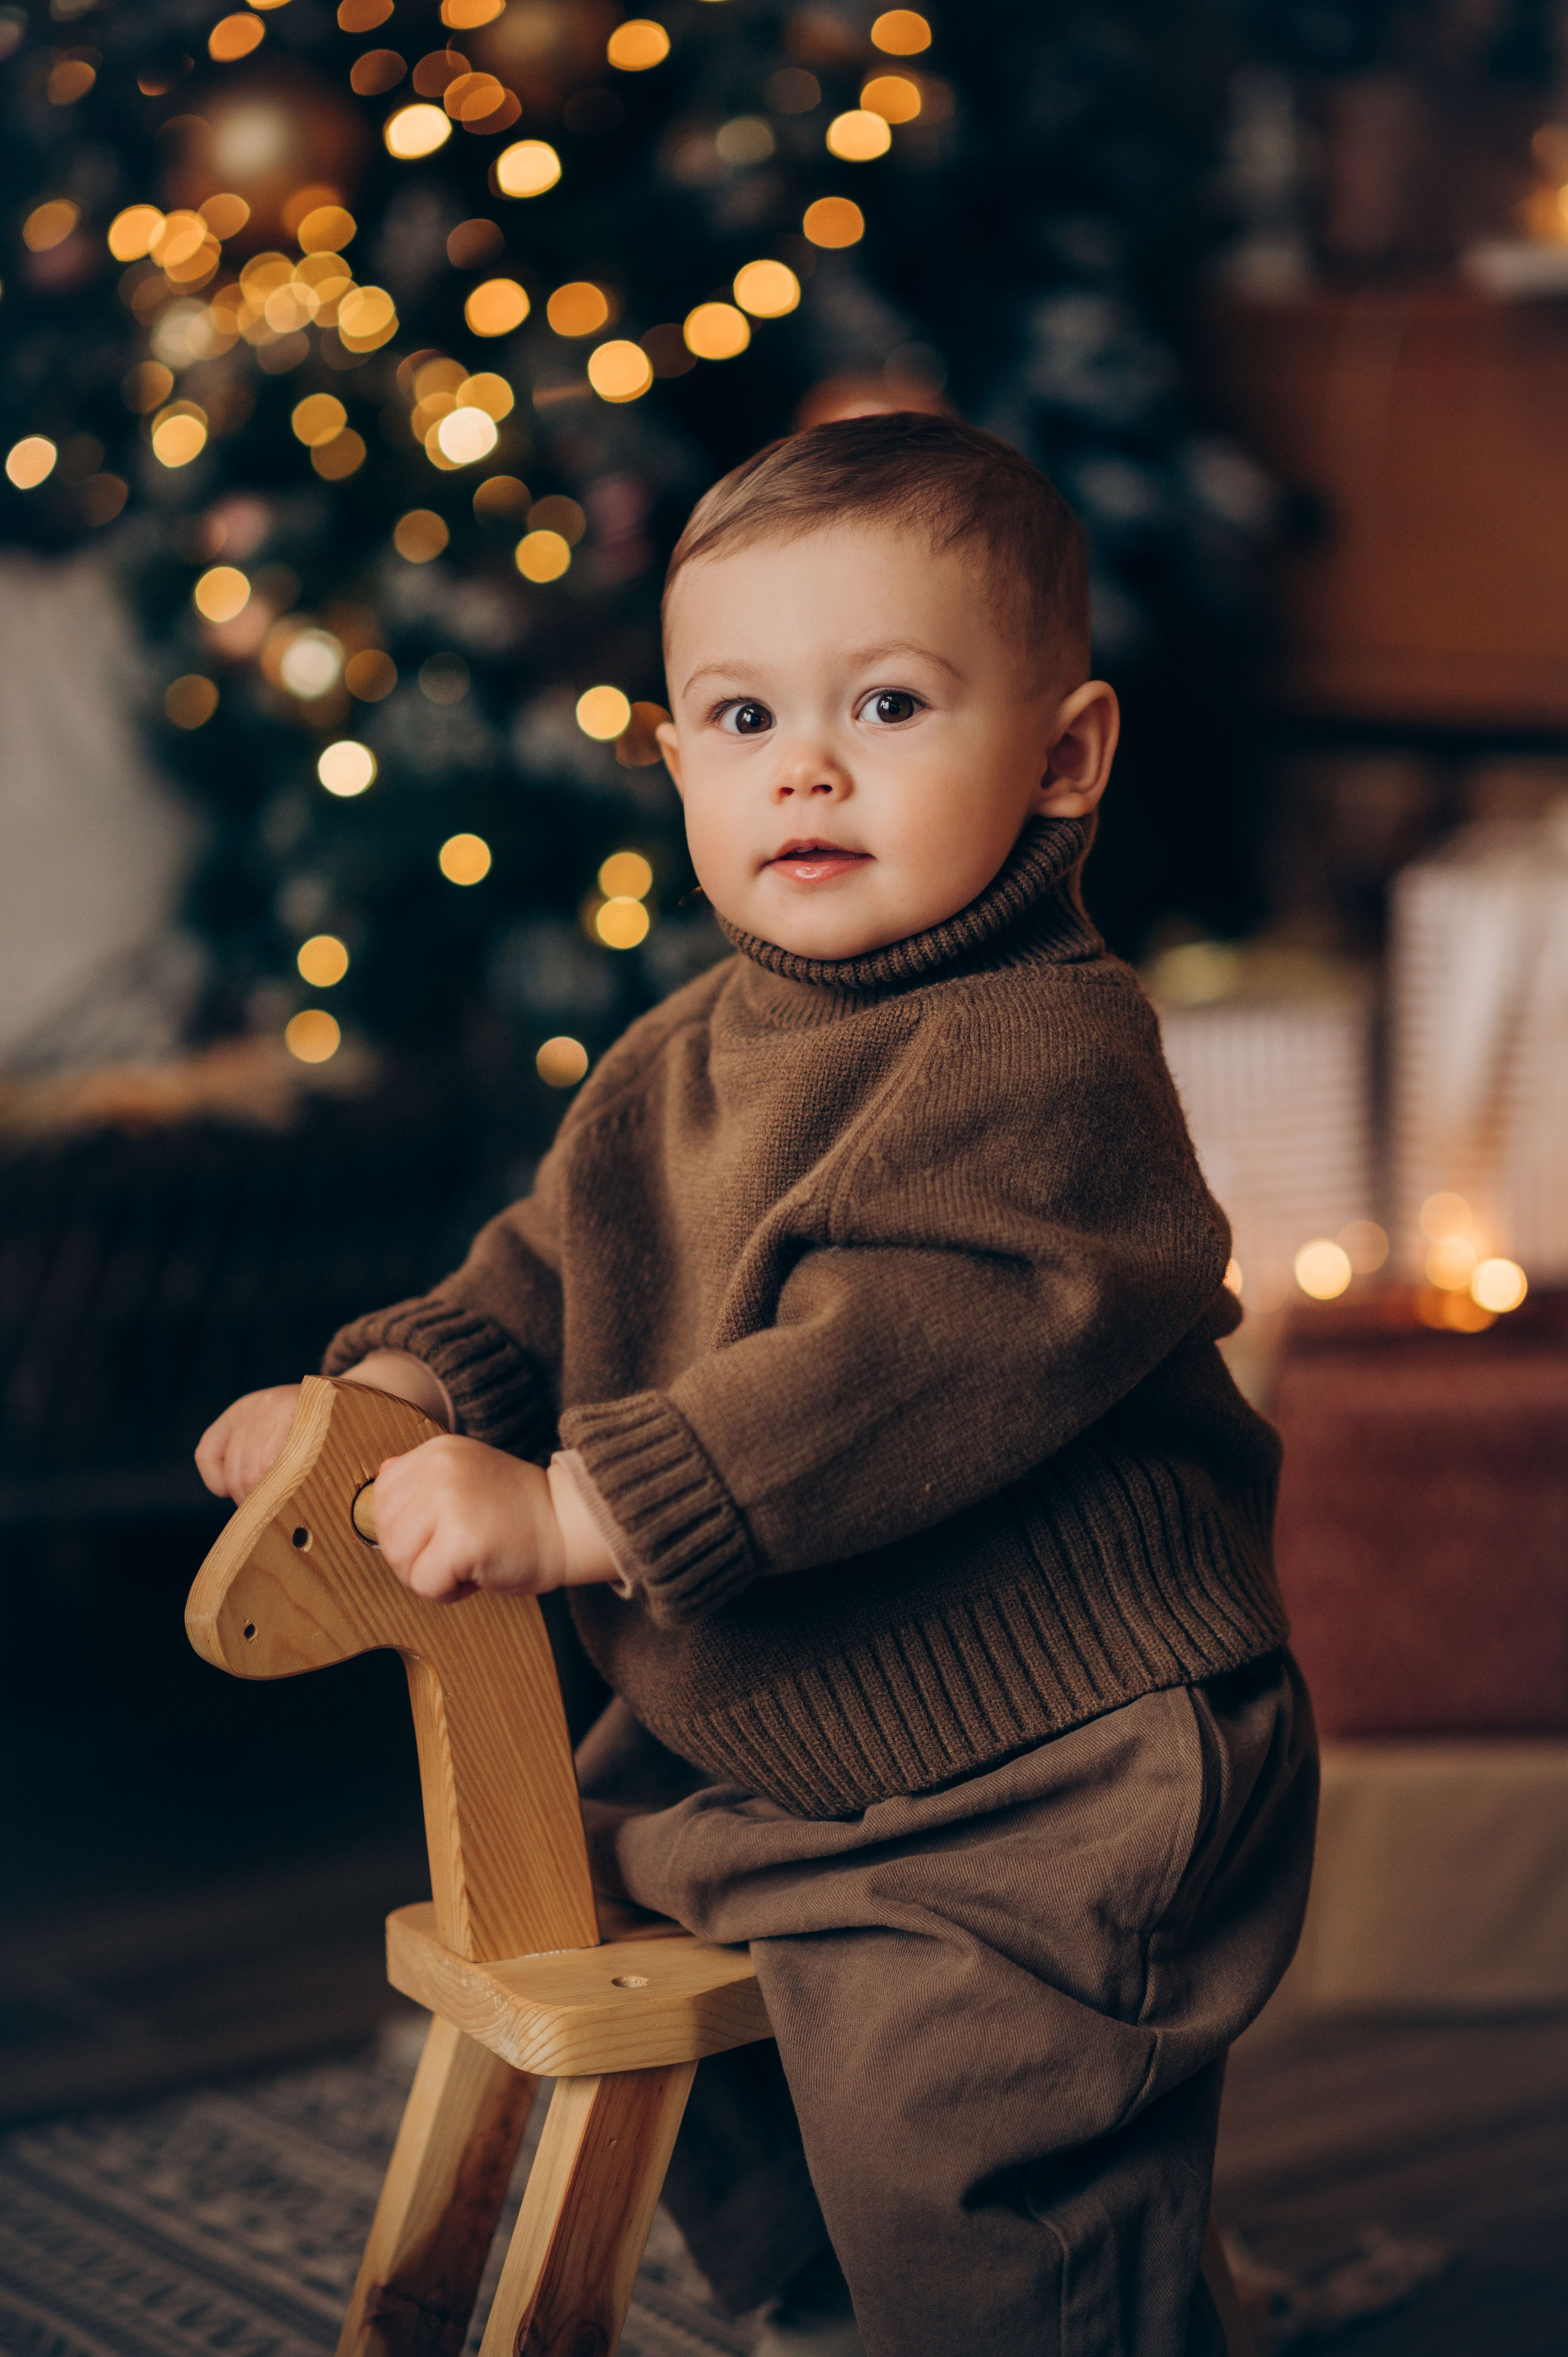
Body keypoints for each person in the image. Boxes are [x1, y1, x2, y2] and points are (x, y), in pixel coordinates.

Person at [197, 413, 1316, 2357]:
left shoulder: (1047, 1060)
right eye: (734, 720)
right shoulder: (689, 1045)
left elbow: (905, 1361)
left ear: (1063, 757)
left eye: (886, 704)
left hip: (1048, 1764)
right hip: (781, 1727)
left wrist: (572, 1511)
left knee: (964, 2149)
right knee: (715, 2060)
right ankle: (826, 2304)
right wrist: (394, 1384)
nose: (801, 766)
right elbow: (554, 1265)